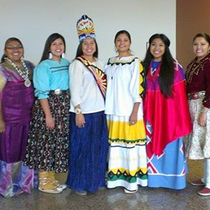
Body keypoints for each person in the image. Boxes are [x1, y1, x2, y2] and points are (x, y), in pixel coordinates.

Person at [66, 15, 108, 196]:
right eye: (85, 44)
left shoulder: (100, 63)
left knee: (98, 148)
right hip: (83, 113)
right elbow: (74, 89)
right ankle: (79, 184)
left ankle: (95, 180)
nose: (89, 46)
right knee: (81, 149)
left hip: (99, 112)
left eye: (92, 43)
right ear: (80, 46)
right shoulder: (77, 64)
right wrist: (78, 111)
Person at [143, 33, 192, 189]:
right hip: (148, 116)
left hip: (169, 117)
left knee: (170, 149)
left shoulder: (175, 67)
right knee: (148, 146)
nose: (156, 48)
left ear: (166, 47)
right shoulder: (142, 66)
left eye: (161, 45)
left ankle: (173, 181)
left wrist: (170, 116)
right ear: (149, 46)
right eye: (153, 44)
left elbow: (178, 97)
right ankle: (151, 180)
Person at [24, 33, 70, 194]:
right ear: (49, 47)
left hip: (63, 106)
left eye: (61, 43)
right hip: (48, 106)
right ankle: (44, 182)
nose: (58, 47)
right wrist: (48, 116)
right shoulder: (43, 66)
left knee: (57, 143)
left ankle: (52, 179)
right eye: (54, 44)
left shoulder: (67, 63)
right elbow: (41, 93)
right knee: (46, 142)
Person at [105, 30, 147, 194]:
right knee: (115, 146)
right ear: (115, 43)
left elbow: (138, 87)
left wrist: (135, 111)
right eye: (119, 40)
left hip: (129, 110)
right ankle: (115, 180)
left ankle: (131, 182)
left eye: (125, 40)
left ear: (130, 42)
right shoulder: (110, 62)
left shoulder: (135, 62)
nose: (122, 43)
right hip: (113, 111)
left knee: (130, 146)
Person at [0, 37, 36, 197]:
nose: (15, 49)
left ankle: (25, 184)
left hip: (28, 118)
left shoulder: (29, 66)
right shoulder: (2, 69)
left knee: (26, 151)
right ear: (5, 51)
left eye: (19, 46)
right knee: (9, 152)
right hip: (9, 119)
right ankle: (7, 186)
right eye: (11, 47)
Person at [185, 33, 210, 196]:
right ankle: (204, 177)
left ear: (209, 46)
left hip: (205, 106)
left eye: (202, 44)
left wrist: (204, 111)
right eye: (195, 44)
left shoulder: (209, 63)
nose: (198, 47)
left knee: (208, 143)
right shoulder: (194, 63)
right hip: (194, 105)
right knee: (201, 142)